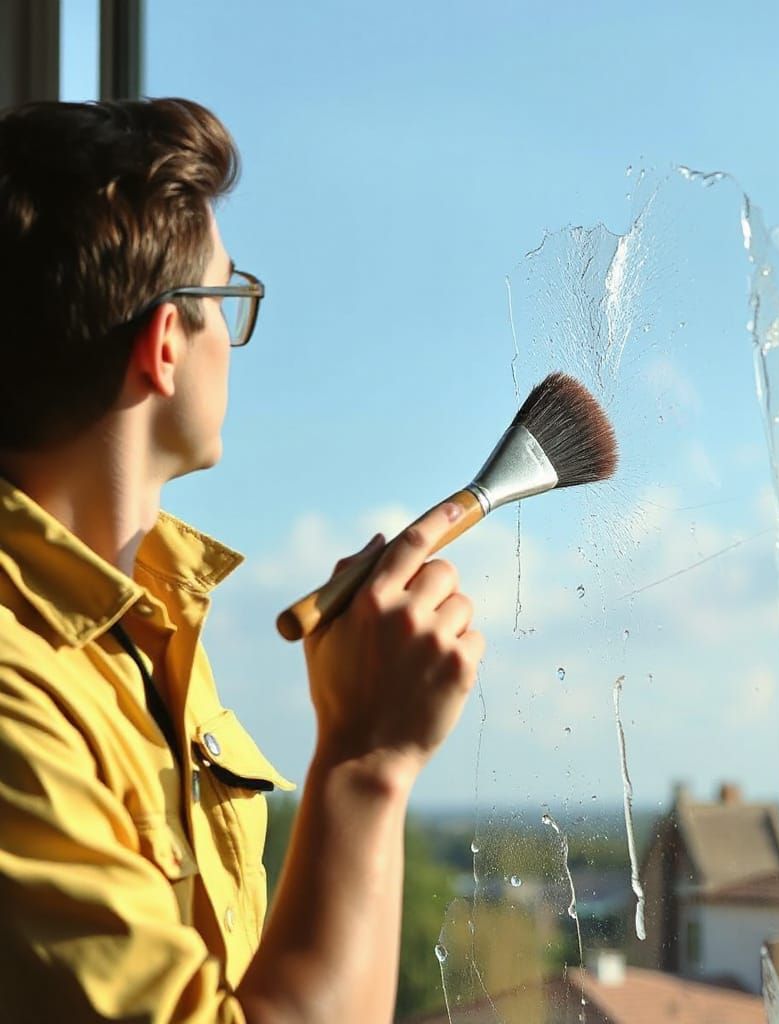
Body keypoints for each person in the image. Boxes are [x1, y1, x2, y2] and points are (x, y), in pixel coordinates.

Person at [0, 97, 484, 1023]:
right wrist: (366, 758)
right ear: (165, 343)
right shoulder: (19, 696)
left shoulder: (149, 632)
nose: (237, 334)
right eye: (228, 298)